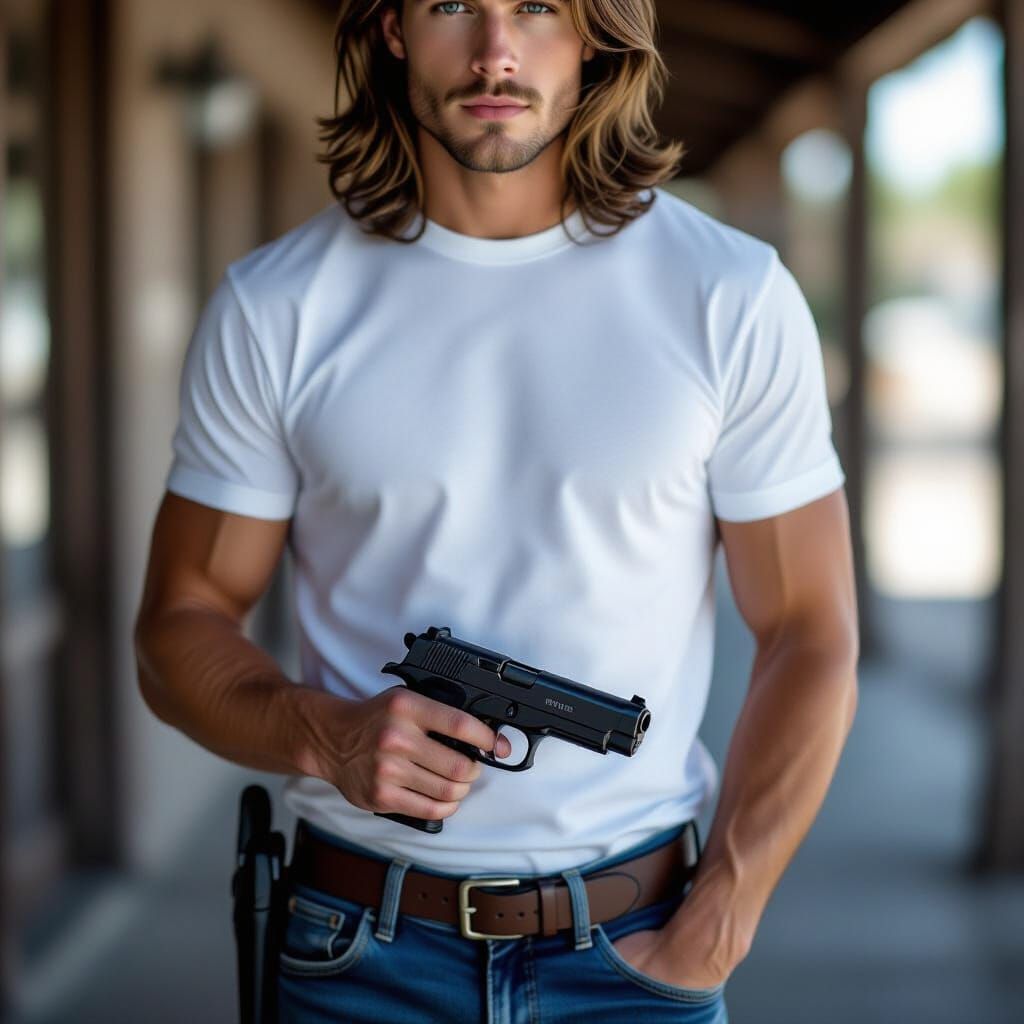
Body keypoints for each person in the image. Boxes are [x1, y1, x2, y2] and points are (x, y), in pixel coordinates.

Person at [133, 0, 859, 1020]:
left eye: (537, 7)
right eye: (449, 5)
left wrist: (719, 919)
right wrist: (325, 731)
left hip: (636, 956)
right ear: (390, 29)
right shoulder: (277, 307)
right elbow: (178, 626)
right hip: (358, 954)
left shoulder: (727, 295)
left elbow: (809, 630)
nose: (494, 51)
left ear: (596, 31)